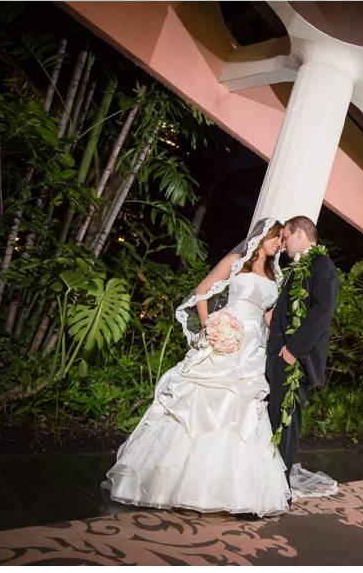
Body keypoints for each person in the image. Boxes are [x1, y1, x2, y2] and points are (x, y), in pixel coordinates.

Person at [101, 218, 292, 519]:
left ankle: (229, 490)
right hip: (224, 339)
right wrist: (210, 326)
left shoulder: (274, 274)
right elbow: (202, 291)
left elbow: (269, 315)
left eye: (283, 239)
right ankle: (170, 484)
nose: (280, 244)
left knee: (241, 412)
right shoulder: (235, 261)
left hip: (252, 350)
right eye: (277, 237)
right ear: (264, 234)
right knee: (196, 404)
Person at [267, 216, 340, 504]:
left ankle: (279, 491)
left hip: (294, 359)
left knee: (286, 425)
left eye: (286, 237)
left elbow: (322, 313)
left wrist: (293, 350)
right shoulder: (296, 268)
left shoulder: (323, 266)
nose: (283, 243)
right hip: (279, 356)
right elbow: (290, 310)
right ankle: (268, 481)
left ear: (300, 234)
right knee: (274, 421)